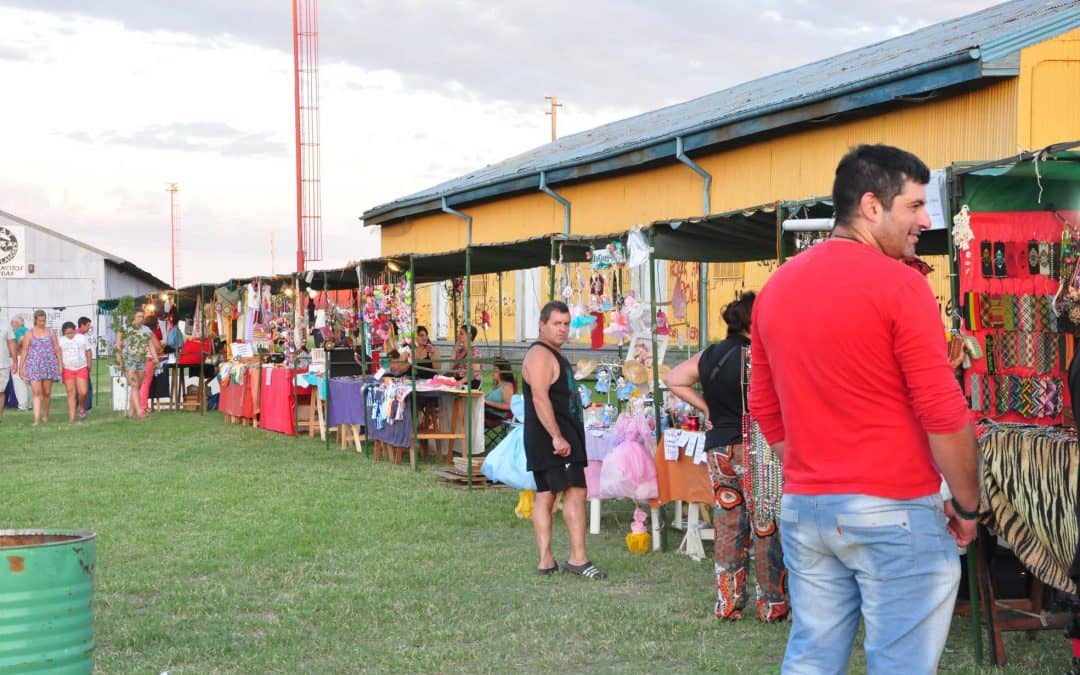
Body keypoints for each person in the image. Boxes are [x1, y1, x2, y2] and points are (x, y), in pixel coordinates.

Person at [749, 144, 979, 674]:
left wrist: (815, 473)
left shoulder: (776, 287)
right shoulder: (901, 284)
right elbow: (943, 412)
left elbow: (765, 404)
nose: (925, 220)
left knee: (810, 660)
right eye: (915, 206)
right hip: (892, 508)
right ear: (872, 206)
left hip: (807, 508)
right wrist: (967, 508)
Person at [664, 291, 788, 622]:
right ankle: (772, 604)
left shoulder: (712, 354)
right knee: (765, 525)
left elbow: (673, 379)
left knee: (729, 524)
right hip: (756, 448)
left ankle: (728, 604)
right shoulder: (760, 355)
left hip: (719, 448)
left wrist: (708, 409)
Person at [521, 301, 606, 579]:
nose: (563, 329)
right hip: (553, 438)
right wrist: (557, 437)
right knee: (575, 491)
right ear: (541, 325)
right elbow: (539, 397)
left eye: (567, 323)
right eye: (557, 323)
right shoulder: (540, 355)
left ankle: (546, 560)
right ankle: (578, 559)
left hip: (555, 435)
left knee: (546, 494)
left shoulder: (549, 353)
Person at [18, 309, 62, 426]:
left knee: (47, 392)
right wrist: (21, 367)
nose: (42, 322)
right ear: (35, 320)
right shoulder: (29, 333)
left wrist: (60, 364)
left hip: (49, 364)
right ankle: (36, 419)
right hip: (34, 365)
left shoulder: (51, 332)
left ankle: (45, 415)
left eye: (44, 320)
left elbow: (57, 348)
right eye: (40, 320)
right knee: (36, 392)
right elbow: (25, 350)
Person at [116, 310, 158, 419]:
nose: (141, 318)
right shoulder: (124, 329)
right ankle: (140, 411)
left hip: (141, 359)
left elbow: (150, 344)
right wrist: (119, 361)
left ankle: (131, 411)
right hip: (129, 358)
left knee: (138, 386)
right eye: (138, 316)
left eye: (142, 316)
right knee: (134, 385)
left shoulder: (146, 330)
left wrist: (155, 357)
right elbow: (118, 346)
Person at [58, 321, 92, 422]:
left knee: (83, 391)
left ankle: (81, 406)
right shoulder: (61, 341)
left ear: (75, 330)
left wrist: (89, 363)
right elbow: (59, 355)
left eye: (71, 332)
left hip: (81, 367)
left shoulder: (81, 338)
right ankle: (72, 416)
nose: (70, 335)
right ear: (64, 333)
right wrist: (60, 367)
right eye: (67, 333)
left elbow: (88, 351)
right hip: (68, 369)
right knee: (70, 392)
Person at [484, 357, 517, 426]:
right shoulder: (497, 386)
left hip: (497, 415)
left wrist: (487, 402)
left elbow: (509, 406)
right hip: (488, 411)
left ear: (502, 371)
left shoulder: (507, 386)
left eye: (495, 370)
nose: (492, 372)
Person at [450, 324, 482, 389]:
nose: (458, 336)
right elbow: (451, 366)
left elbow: (475, 372)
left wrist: (460, 382)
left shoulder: (475, 351)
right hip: (458, 380)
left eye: (461, 333)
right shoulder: (460, 351)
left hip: (470, 382)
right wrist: (455, 348)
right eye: (459, 333)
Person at [10, 316, 30, 410]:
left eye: (12, 323)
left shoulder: (18, 331)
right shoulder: (28, 330)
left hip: (19, 358)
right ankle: (30, 404)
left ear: (17, 323)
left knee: (19, 383)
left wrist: (17, 347)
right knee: (28, 382)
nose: (11, 326)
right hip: (29, 358)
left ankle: (22, 405)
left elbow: (22, 340)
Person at [0, 313, 16, 425]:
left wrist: (15, 361)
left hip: (3, 363)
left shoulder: (6, 323)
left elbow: (11, 343)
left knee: (0, 392)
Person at [77, 316, 94, 413]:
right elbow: (88, 351)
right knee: (87, 387)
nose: (89, 328)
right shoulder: (81, 337)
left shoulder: (75, 334)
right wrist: (89, 364)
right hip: (82, 365)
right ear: (82, 325)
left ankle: (77, 405)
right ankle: (87, 407)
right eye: (88, 326)